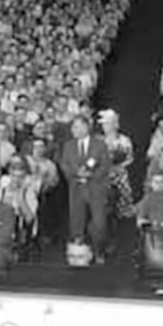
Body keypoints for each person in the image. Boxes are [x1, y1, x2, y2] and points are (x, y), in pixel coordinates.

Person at [60, 116, 112, 263]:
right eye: (72, 127)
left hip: (96, 187)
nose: (73, 130)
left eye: (76, 127)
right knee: (76, 220)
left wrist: (91, 175)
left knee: (99, 222)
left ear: (86, 127)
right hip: (76, 188)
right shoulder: (68, 145)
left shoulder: (100, 145)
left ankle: (99, 251)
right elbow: (64, 164)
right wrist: (77, 172)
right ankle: (78, 252)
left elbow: (105, 165)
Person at [97, 109, 136, 219]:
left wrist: (119, 166)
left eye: (107, 124)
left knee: (125, 188)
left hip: (119, 171)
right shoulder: (98, 140)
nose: (105, 127)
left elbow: (130, 158)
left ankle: (124, 209)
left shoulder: (124, 140)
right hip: (102, 172)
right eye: (103, 125)